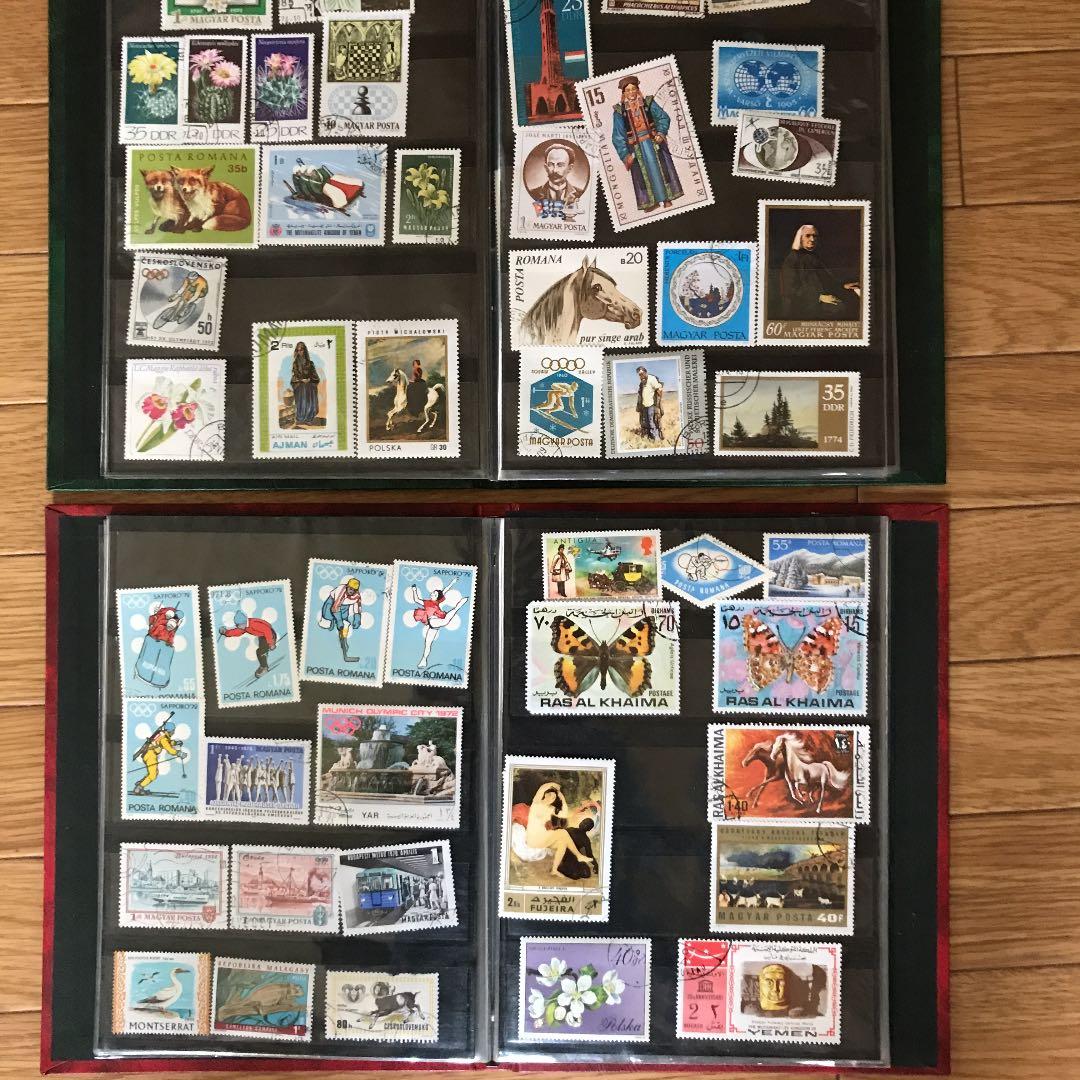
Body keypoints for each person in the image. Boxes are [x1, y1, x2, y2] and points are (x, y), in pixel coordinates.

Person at [611, 75, 683, 214]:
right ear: (624, 93)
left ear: (638, 90)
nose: (631, 92)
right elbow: (617, 136)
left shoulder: (648, 103)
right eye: (628, 90)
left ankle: (667, 199)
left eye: (633, 89)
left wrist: (661, 133)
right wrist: (625, 154)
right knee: (642, 175)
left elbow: (663, 118)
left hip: (654, 143)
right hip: (636, 148)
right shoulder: (619, 112)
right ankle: (651, 203)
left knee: (661, 170)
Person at [778, 224, 861, 321]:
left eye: (815, 236)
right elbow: (789, 289)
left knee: (853, 299)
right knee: (840, 308)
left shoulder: (813, 257)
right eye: (808, 235)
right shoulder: (792, 259)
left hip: (818, 299)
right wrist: (819, 297)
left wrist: (844, 286)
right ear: (800, 238)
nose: (812, 239)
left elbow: (827, 280)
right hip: (802, 305)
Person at [406, 583, 470, 670]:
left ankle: (423, 660)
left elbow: (445, 590)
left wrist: (452, 582)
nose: (433, 594)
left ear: (437, 598)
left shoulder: (437, 602)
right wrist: (414, 590)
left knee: (428, 643)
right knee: (445, 621)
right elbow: (416, 599)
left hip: (435, 626)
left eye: (435, 594)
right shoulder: (426, 602)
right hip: (432, 621)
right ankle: (459, 606)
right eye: (433, 592)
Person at [528, 143, 585, 221]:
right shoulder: (533, 193)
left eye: (560, 165)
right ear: (546, 167)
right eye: (551, 165)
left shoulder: (580, 194)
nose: (555, 170)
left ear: (569, 168)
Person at [131, 716, 184, 796]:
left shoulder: (162, 735)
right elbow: (169, 749)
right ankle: (138, 789)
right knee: (153, 775)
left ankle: (140, 784)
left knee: (154, 773)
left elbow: (168, 743)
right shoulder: (163, 738)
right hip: (150, 755)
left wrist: (176, 743)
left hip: (149, 754)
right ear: (169, 731)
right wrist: (180, 753)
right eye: (173, 730)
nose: (173, 732)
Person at [220, 609, 278, 679]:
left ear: (243, 623)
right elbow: (237, 632)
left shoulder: (253, 623)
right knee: (261, 651)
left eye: (238, 625)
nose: (237, 626)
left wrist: (271, 643)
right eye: (237, 625)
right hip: (262, 636)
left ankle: (264, 668)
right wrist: (226, 632)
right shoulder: (244, 626)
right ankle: (264, 660)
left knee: (260, 652)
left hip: (270, 634)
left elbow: (267, 630)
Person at [320, 577, 364, 663]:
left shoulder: (357, 596)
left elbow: (357, 607)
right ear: (347, 586)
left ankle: (344, 642)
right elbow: (335, 608)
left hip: (344, 607)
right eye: (350, 589)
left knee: (345, 625)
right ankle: (331, 623)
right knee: (327, 620)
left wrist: (357, 618)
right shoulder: (341, 590)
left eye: (354, 590)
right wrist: (339, 621)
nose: (351, 591)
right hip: (332, 603)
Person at [289, 342, 321, 427]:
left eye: (301, 350)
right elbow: (294, 376)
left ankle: (308, 419)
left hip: (309, 385)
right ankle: (300, 419)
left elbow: (315, 376)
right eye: (298, 350)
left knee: (309, 398)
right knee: (301, 400)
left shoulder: (310, 363)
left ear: (304, 350)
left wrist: (309, 379)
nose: (300, 352)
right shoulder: (295, 363)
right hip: (299, 385)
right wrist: (301, 380)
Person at [635, 365, 664, 441]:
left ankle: (656, 438)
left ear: (645, 372)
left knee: (652, 422)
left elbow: (659, 390)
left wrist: (658, 404)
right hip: (644, 405)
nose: (641, 376)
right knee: (646, 422)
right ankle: (650, 437)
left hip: (651, 405)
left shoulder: (652, 379)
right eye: (639, 375)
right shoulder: (642, 382)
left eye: (642, 374)